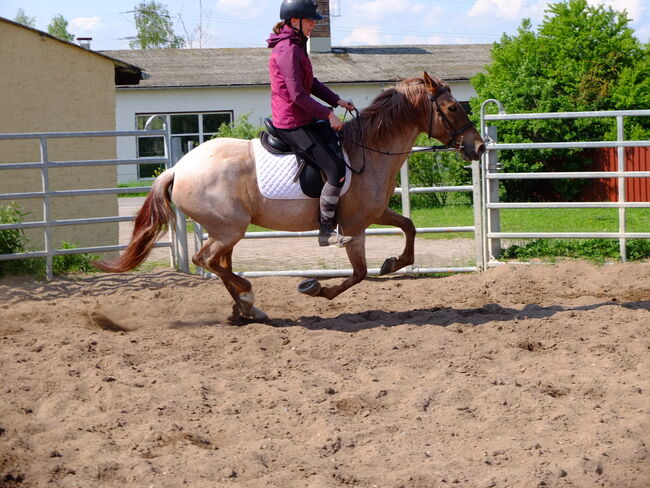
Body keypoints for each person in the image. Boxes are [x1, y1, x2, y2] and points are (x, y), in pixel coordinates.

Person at [267, 0, 356, 247]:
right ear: (294, 21)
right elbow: (297, 95)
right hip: (292, 122)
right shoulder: (288, 50)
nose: (314, 24)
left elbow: (311, 83)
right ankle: (326, 230)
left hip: (304, 116)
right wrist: (329, 114)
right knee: (335, 170)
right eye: (310, 20)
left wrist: (337, 100)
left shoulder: (296, 46)